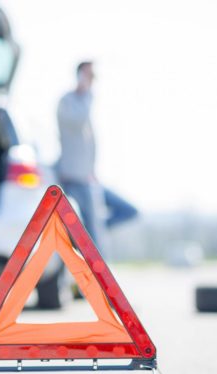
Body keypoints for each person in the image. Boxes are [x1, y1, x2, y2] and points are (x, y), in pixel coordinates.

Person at [55, 61, 138, 255]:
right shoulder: (68, 101)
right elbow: (77, 122)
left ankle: (88, 233)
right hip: (74, 180)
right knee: (93, 240)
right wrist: (87, 94)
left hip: (90, 179)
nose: (91, 81)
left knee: (128, 211)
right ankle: (93, 282)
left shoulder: (83, 102)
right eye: (88, 76)